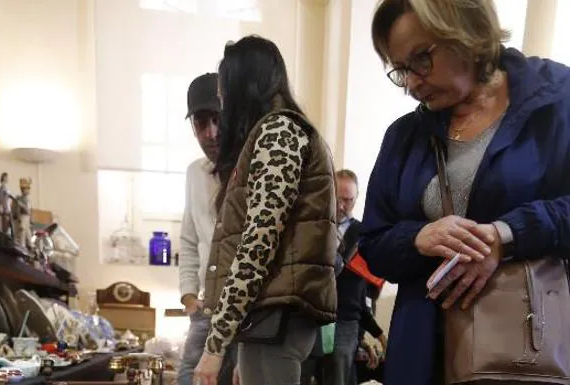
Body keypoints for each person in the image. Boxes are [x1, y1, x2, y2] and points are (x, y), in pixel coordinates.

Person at [360, 0, 570, 384]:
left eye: (421, 59)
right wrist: (417, 238)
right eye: (401, 69)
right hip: (421, 352)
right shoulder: (405, 136)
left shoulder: (557, 102)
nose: (411, 82)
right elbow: (372, 241)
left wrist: (506, 236)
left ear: (465, 31)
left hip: (527, 351)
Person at [194, 35, 338, 385]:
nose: (223, 101)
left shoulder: (279, 131)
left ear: (243, 84)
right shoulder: (277, 130)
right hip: (270, 318)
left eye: (224, 88)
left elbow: (258, 243)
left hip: (278, 316)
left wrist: (215, 347)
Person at [176, 73, 235, 385]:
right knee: (187, 379)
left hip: (243, 314)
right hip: (204, 307)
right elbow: (188, 238)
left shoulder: (252, 167)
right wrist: (187, 296)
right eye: (201, 123)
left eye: (217, 119)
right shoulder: (194, 173)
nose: (211, 133)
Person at [321, 169, 387, 385]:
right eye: (338, 199)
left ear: (356, 199)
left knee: (340, 368)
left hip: (348, 315)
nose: (342, 206)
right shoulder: (317, 226)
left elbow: (368, 291)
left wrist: (372, 333)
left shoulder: (365, 234)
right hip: (315, 313)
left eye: (348, 200)